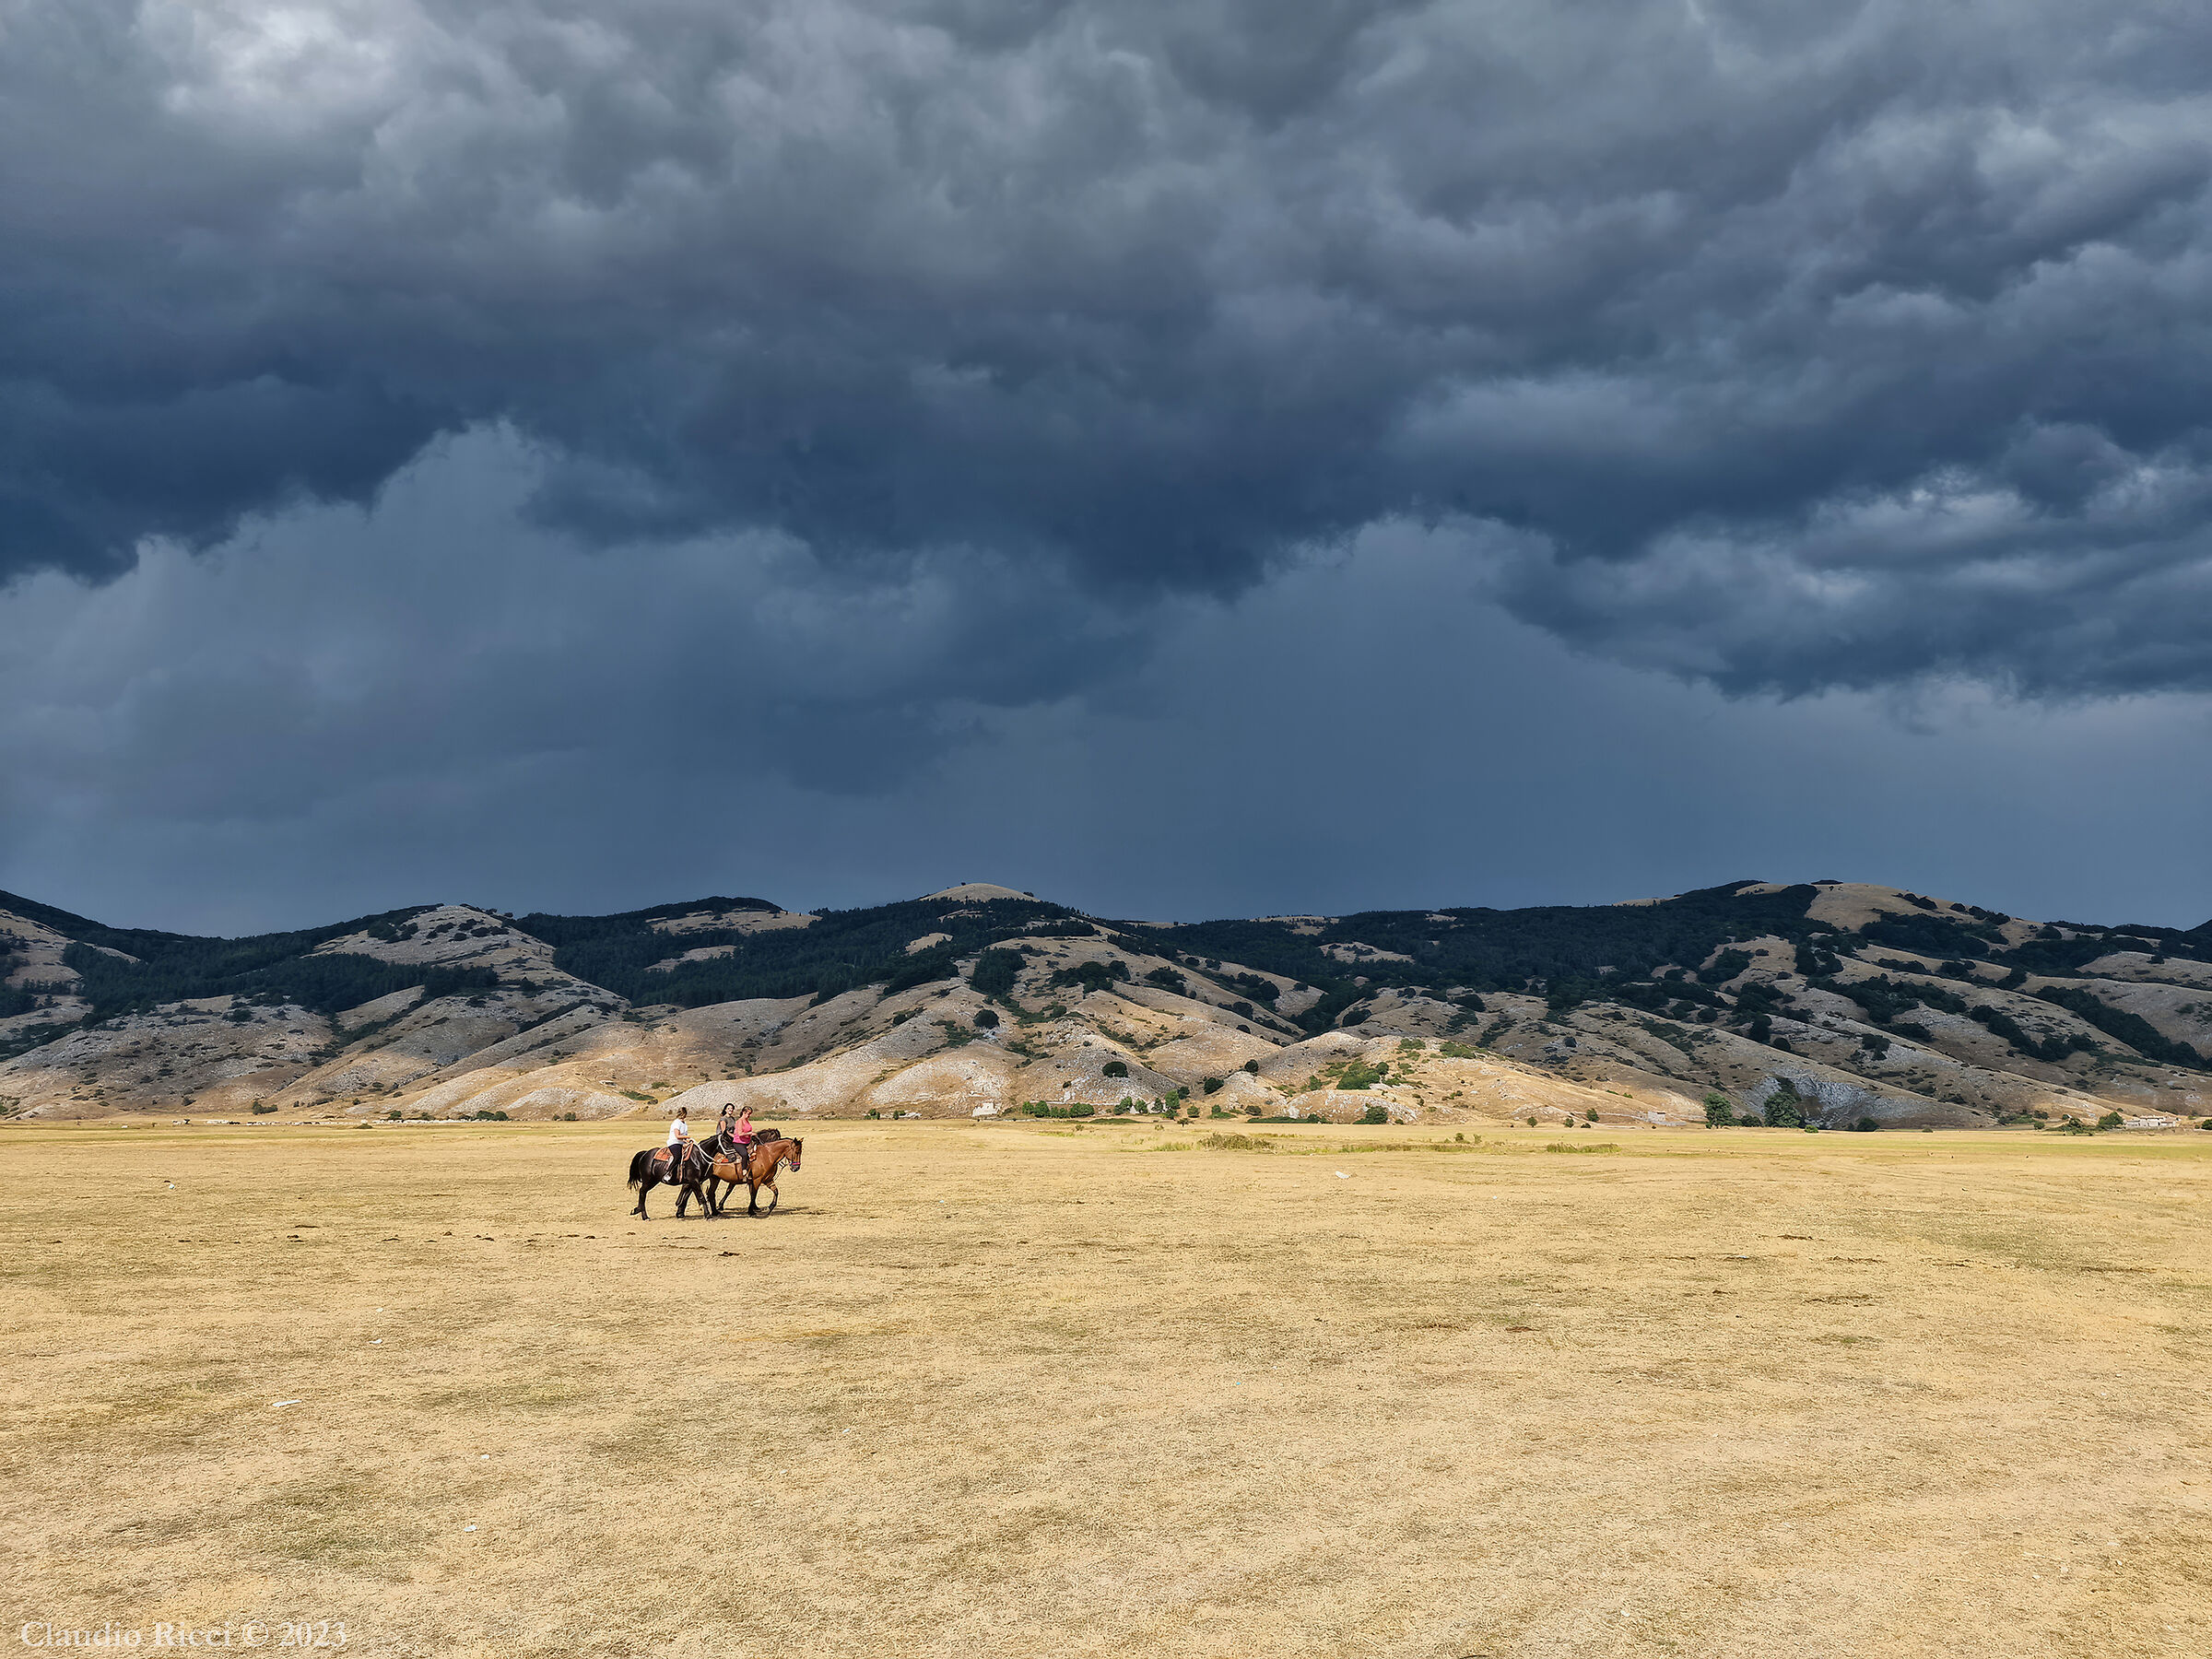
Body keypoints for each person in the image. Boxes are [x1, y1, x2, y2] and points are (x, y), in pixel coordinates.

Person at [665, 1106, 693, 1179]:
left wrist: (688, 1140)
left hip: (682, 1143)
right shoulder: (676, 1123)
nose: (683, 1116)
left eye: (684, 1114)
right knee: (677, 1156)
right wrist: (688, 1137)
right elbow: (677, 1136)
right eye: (682, 1114)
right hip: (674, 1142)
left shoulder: (684, 1124)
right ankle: (668, 1172)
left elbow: (683, 1136)